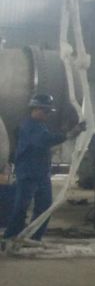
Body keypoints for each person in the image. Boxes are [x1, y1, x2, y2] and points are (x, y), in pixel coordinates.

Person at [4, 94, 83, 242]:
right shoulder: (29, 126)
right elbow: (43, 140)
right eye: (46, 111)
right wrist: (68, 134)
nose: (48, 114)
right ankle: (10, 237)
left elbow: (43, 142)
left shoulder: (40, 125)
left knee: (44, 208)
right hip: (28, 173)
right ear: (36, 109)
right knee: (21, 207)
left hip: (41, 173)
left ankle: (34, 238)